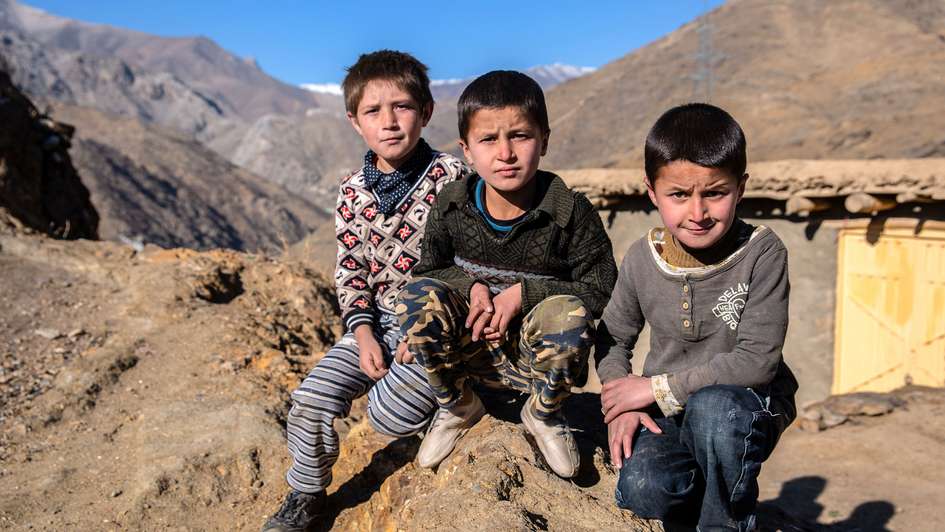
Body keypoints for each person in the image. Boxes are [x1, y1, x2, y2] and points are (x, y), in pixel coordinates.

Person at [262, 50, 469, 532]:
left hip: (435, 328)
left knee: (388, 415)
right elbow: (351, 270)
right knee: (311, 400)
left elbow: (467, 265)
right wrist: (363, 334)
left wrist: (426, 331)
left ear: (427, 112)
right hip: (376, 325)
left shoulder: (453, 179)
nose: (390, 122)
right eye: (373, 111)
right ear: (354, 122)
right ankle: (306, 495)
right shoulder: (352, 190)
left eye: (402, 107)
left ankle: (455, 391)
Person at [396, 70, 618, 479]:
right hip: (471, 350)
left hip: (533, 362)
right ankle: (459, 406)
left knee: (567, 313)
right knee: (417, 298)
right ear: (467, 150)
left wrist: (522, 295)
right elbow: (429, 269)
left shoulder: (570, 214)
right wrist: (474, 287)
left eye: (520, 135)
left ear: (545, 140)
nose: (506, 153)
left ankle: (544, 414)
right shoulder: (452, 206)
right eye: (488, 140)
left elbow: (601, 287)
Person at [596, 103, 798, 530]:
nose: (698, 212)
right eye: (678, 195)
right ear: (651, 192)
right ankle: (704, 497)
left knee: (715, 412)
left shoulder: (762, 253)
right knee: (644, 490)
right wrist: (622, 403)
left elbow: (756, 362)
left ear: (740, 188)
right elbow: (613, 337)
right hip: (669, 411)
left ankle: (727, 522)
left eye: (715, 193)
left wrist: (652, 388)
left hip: (744, 404)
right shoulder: (643, 257)